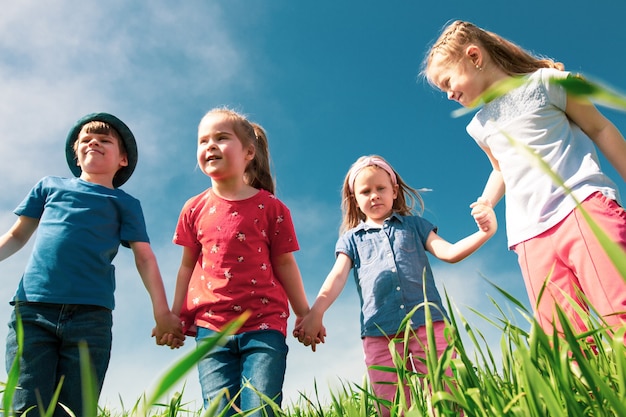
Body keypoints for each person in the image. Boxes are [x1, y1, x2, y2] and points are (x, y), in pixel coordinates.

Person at [423, 20, 626, 337]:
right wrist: (488, 201)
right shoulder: (479, 125)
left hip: (581, 207)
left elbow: (600, 129)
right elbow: (501, 168)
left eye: (447, 82)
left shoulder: (548, 83)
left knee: (619, 309)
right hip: (529, 236)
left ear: (474, 57)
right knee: (563, 340)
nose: (448, 95)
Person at [0, 112, 183, 417]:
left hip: (90, 319)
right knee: (26, 407)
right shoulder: (49, 187)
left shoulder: (125, 203)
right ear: (76, 153)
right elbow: (17, 236)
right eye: (86, 139)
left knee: (76, 409)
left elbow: (144, 257)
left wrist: (162, 313)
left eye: (104, 140)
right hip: (33, 310)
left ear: (122, 159)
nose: (93, 142)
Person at [294, 155, 496, 417]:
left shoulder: (414, 226)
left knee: (447, 396)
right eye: (365, 191)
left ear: (394, 191)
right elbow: (337, 278)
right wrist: (316, 312)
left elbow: (450, 252)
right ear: (355, 199)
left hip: (428, 323)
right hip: (379, 332)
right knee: (390, 406)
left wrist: (484, 232)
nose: (374, 195)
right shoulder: (351, 240)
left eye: (380, 189)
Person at [163, 107, 311, 416]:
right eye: (203, 141)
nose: (210, 146)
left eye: (221, 137)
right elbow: (186, 267)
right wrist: (174, 316)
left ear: (248, 152)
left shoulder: (272, 208)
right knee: (219, 411)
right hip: (211, 328)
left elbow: (285, 265)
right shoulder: (194, 209)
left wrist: (305, 314)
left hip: (264, 323)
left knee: (261, 408)